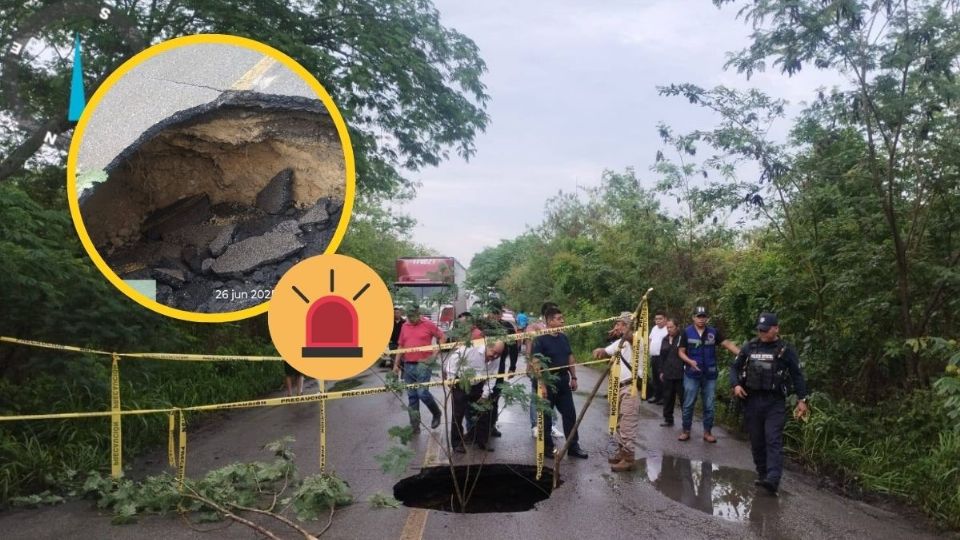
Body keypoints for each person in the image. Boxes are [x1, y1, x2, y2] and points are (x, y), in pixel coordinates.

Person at [731, 312, 809, 496]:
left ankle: (773, 479)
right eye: (760, 330)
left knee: (772, 438)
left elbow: (797, 375)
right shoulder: (750, 347)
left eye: (766, 330)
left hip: (774, 402)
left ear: (776, 329)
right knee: (757, 440)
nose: (762, 333)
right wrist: (735, 385)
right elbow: (734, 368)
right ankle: (763, 474)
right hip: (751, 400)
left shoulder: (785, 350)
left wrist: (802, 400)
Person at [677, 306, 740, 443]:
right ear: (693, 317)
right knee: (688, 404)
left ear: (707, 318)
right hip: (691, 374)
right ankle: (686, 430)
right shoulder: (686, 332)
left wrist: (742, 355)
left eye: (703, 316)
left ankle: (707, 432)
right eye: (698, 316)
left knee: (709, 405)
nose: (701, 319)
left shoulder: (713, 332)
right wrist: (690, 361)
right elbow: (681, 352)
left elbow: (727, 344)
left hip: (709, 375)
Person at [532, 306, 588, 459]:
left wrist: (574, 377)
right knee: (546, 416)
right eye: (558, 319)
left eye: (562, 318)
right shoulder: (540, 339)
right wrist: (542, 385)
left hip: (563, 381)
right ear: (549, 321)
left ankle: (573, 446)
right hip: (548, 382)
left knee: (570, 414)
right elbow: (536, 362)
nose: (562, 321)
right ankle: (547, 448)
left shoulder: (563, 337)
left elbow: (570, 357)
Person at [592, 312, 637, 472]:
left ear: (627, 325)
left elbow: (632, 339)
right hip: (618, 386)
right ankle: (621, 452)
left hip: (631, 387)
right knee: (619, 422)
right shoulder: (620, 342)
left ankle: (629, 458)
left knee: (627, 424)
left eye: (619, 324)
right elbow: (606, 351)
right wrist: (599, 351)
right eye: (617, 323)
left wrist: (626, 332)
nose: (616, 326)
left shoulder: (638, 338)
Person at [444, 339, 505, 452]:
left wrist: (485, 395)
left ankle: (481, 440)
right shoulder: (471, 349)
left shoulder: (496, 358)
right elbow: (452, 361)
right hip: (461, 382)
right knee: (458, 414)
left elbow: (492, 376)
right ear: (488, 345)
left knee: (485, 410)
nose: (495, 356)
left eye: (498, 354)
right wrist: (451, 380)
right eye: (494, 352)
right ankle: (457, 443)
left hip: (477, 384)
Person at [393, 305, 446, 433]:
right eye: (408, 316)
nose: (410, 319)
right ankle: (414, 426)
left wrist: (434, 355)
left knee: (422, 393)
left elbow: (442, 337)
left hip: (423, 364)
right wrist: (396, 364)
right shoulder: (405, 325)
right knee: (412, 396)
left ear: (418, 313)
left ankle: (436, 413)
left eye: (412, 316)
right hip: (408, 365)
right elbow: (401, 345)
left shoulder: (428, 324)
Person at [659, 317, 683, 427]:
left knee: (683, 398)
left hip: (680, 374)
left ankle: (686, 421)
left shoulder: (682, 339)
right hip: (668, 372)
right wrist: (661, 371)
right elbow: (662, 357)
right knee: (668, 397)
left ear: (677, 327)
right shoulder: (664, 339)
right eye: (667, 327)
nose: (669, 329)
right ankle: (668, 419)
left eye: (671, 327)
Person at [647, 310, 668, 404]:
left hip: (663, 357)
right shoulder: (654, 328)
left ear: (665, 319)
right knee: (654, 377)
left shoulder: (668, 328)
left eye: (660, 319)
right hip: (654, 357)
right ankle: (656, 396)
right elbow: (650, 339)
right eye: (656, 319)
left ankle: (664, 397)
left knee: (662, 377)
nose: (658, 321)